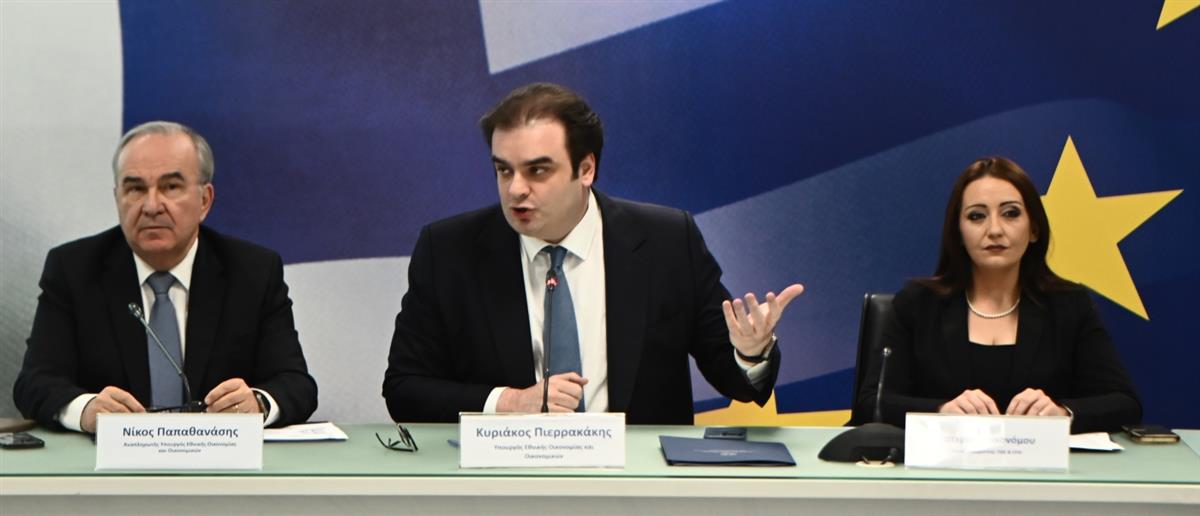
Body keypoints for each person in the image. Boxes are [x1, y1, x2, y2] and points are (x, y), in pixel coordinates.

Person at [383, 83, 804, 424]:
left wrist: (750, 352)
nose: (515, 189)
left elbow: (738, 382)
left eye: (537, 170)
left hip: (637, 484)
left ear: (586, 169)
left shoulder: (666, 241)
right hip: (506, 483)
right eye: (503, 170)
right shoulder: (450, 251)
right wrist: (509, 402)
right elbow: (404, 389)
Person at [13, 121, 318, 433]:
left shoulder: (253, 272)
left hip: (220, 458)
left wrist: (258, 403)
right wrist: (87, 410)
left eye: (170, 187)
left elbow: (295, 384)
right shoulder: (74, 269)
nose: (151, 206)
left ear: (204, 200)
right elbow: (35, 383)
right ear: (118, 198)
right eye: (135, 189)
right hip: (108, 460)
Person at [856, 157, 1140, 433]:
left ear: (1034, 229)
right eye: (977, 216)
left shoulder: (1069, 305)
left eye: (1011, 213)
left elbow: (1124, 402)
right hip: (943, 465)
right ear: (959, 232)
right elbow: (871, 404)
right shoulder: (916, 305)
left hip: (1040, 465)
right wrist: (941, 412)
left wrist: (1062, 413)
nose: (994, 230)